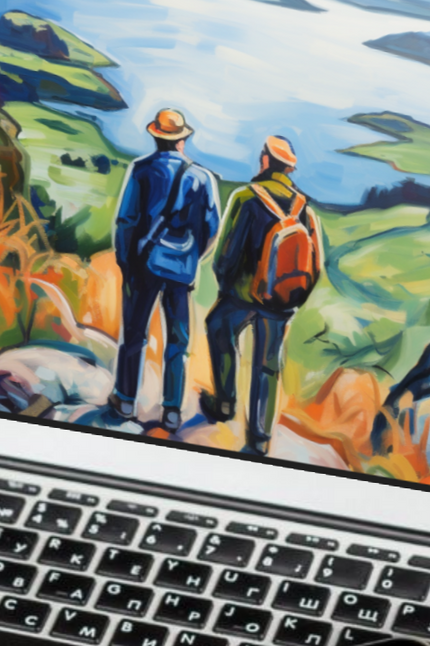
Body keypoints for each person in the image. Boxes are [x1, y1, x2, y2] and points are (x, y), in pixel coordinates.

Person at [201, 136, 326, 457]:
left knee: (218, 327)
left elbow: (225, 255)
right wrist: (293, 296)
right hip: (283, 299)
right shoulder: (304, 207)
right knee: (268, 365)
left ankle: (224, 403)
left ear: (265, 160)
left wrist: (228, 286)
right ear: (289, 168)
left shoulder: (246, 197)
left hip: (243, 295)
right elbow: (317, 263)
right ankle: (259, 438)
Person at [111, 107, 222, 431]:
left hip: (142, 266)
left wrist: (126, 260)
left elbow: (126, 220)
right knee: (178, 340)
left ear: (156, 137)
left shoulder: (141, 170)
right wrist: (191, 257)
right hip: (181, 270)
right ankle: (172, 410)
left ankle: (125, 400)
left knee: (134, 335)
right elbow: (211, 227)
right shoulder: (202, 177)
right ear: (182, 140)